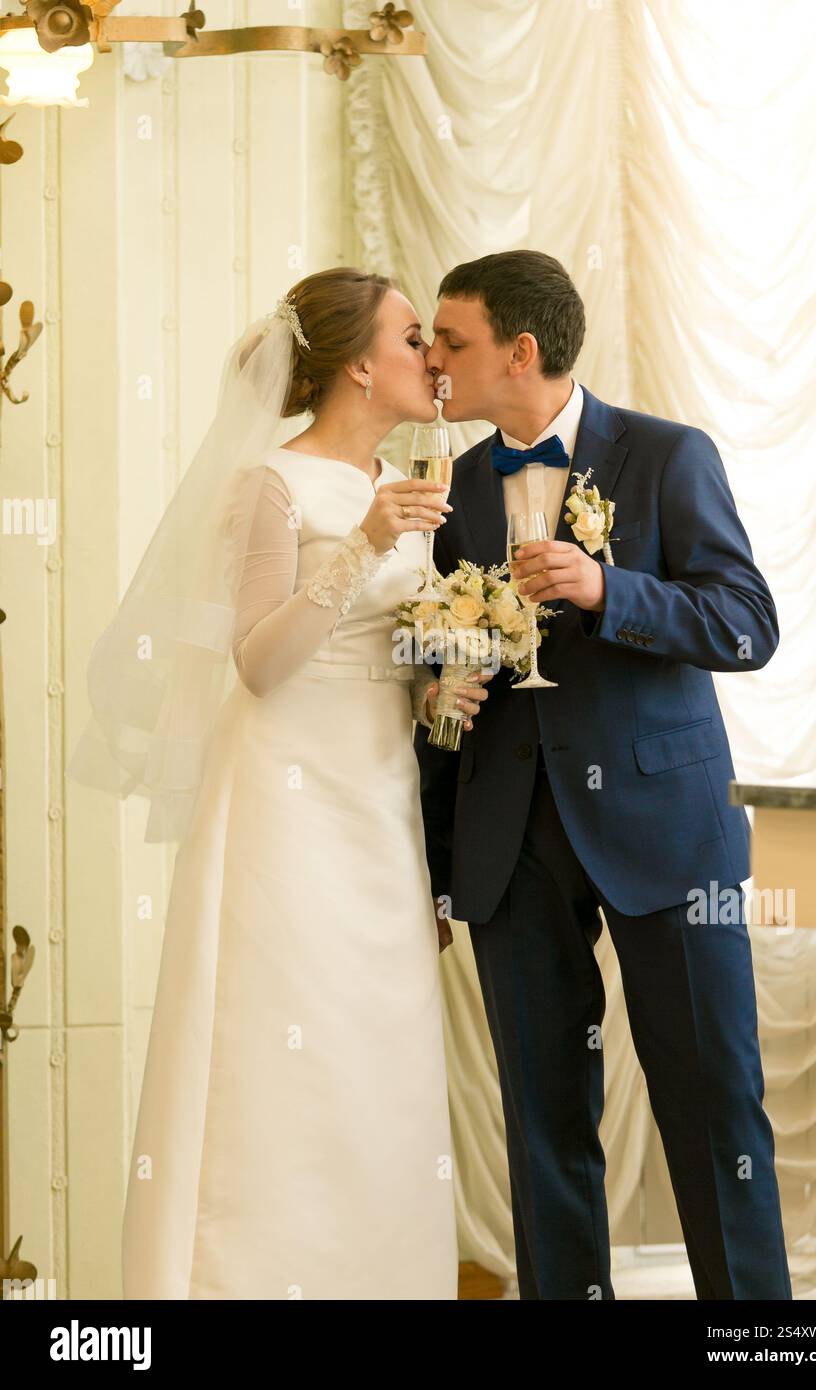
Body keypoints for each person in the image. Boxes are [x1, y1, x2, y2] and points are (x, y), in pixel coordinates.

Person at [66, 267, 489, 1300]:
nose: (429, 359)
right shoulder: (275, 482)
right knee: (285, 1048)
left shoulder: (407, 482)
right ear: (354, 362)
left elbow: (395, 653)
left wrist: (446, 682)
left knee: (372, 1055)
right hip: (287, 801)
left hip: (381, 801)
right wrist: (365, 545)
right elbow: (259, 660)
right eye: (408, 338)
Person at [414, 249, 792, 1301]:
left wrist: (606, 587)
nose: (432, 361)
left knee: (715, 1105)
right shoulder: (447, 490)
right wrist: (437, 862)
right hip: (508, 840)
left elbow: (747, 623)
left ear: (519, 351)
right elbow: (440, 680)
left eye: (453, 341)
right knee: (540, 1124)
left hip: (666, 832)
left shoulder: (670, 457)